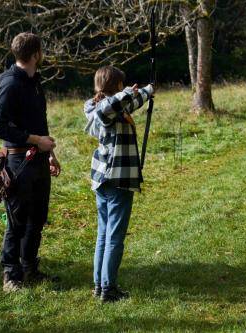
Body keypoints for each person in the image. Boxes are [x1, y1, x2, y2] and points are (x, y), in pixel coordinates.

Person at [0, 32, 61, 292]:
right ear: (36, 54)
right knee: (17, 221)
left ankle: (30, 269)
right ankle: (11, 276)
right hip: (18, 161)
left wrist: (51, 153)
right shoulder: (11, 84)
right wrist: (34, 140)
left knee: (37, 217)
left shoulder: (35, 81)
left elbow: (40, 122)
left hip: (40, 158)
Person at [83, 65, 153, 303]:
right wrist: (128, 93)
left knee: (105, 235)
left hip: (105, 179)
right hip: (116, 180)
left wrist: (147, 91)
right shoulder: (98, 108)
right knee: (112, 237)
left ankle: (100, 285)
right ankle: (107, 288)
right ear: (115, 87)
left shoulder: (113, 107)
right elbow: (109, 108)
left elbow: (129, 104)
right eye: (121, 85)